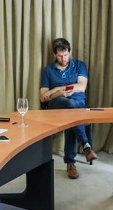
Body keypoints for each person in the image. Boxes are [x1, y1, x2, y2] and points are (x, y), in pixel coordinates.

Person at [39, 38, 98, 179]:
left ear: (69, 52)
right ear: (54, 55)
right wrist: (59, 94)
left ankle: (71, 163)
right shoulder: (48, 70)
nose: (63, 58)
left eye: (65, 55)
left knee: (72, 113)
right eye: (60, 55)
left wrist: (57, 89)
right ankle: (86, 146)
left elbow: (82, 87)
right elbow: (43, 97)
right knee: (71, 108)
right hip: (56, 106)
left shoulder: (79, 65)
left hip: (77, 106)